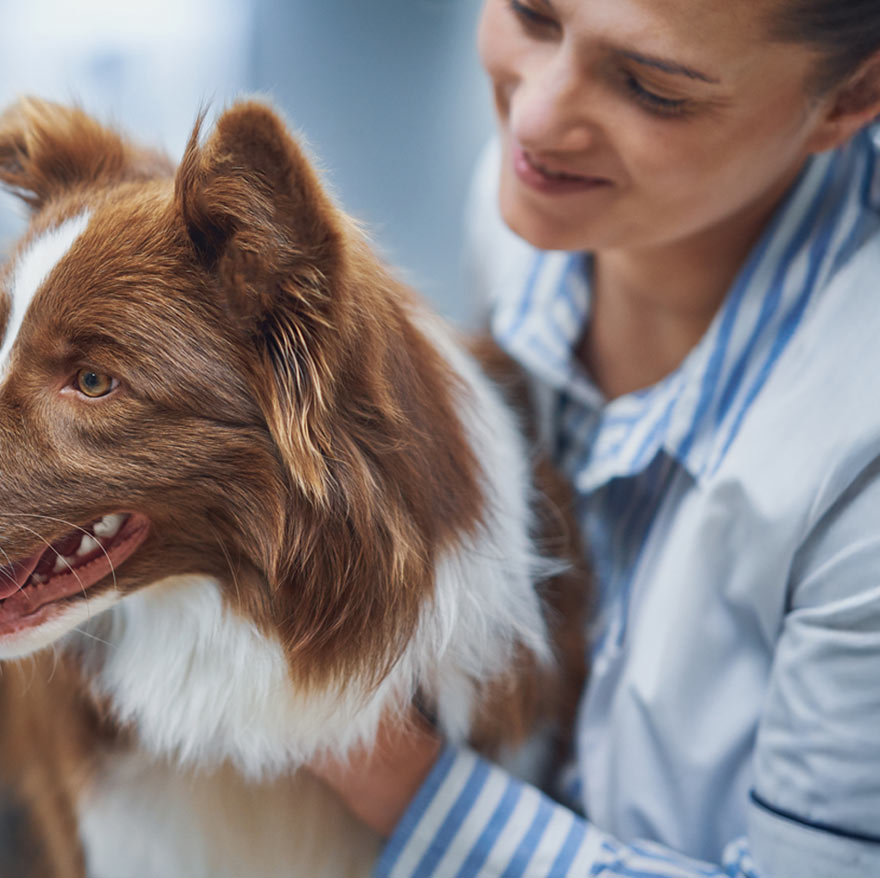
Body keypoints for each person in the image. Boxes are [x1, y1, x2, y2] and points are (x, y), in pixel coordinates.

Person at [310, 1, 880, 876]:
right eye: (532, 16)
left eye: (652, 89)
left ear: (853, 95)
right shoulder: (535, 209)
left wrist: (401, 783)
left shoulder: (858, 466)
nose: (533, 118)